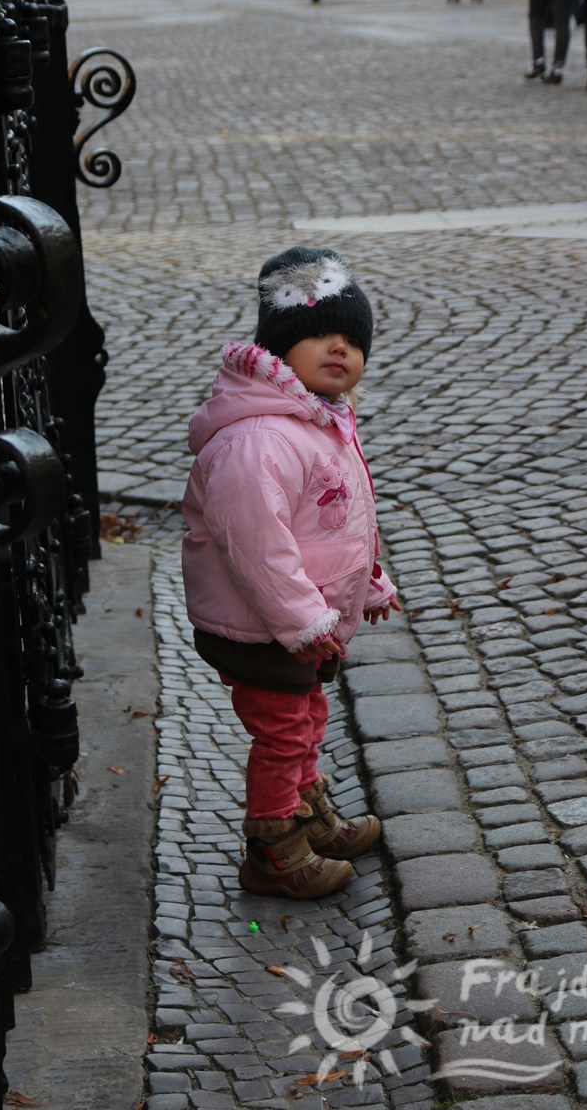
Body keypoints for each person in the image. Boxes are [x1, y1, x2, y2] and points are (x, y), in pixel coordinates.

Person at [181, 247, 401, 899]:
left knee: (304, 719)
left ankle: (307, 814)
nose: (338, 350)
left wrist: (371, 583)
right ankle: (272, 847)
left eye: (352, 341)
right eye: (318, 336)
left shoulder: (319, 421)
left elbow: (339, 521)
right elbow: (259, 547)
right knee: (284, 732)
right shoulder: (258, 440)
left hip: (298, 625)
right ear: (280, 349)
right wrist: (303, 621)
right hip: (262, 626)